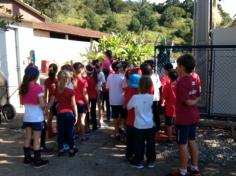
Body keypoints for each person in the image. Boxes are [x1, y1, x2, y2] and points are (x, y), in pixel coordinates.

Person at [166, 54, 201, 176]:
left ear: (182, 67)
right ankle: (194, 167)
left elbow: (187, 101)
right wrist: (196, 100)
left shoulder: (181, 83)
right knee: (192, 141)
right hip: (193, 116)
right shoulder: (194, 79)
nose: (176, 68)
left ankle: (182, 171)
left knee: (182, 144)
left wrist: (194, 101)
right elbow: (198, 95)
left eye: (177, 65)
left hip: (184, 119)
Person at [19, 66, 49, 168]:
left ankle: (27, 159)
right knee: (37, 139)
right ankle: (37, 161)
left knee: (27, 138)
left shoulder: (23, 87)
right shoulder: (38, 88)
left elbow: (21, 102)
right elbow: (42, 104)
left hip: (27, 117)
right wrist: (45, 106)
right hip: (37, 118)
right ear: (36, 77)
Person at [47, 70, 78, 157]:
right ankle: (71, 149)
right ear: (68, 80)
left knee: (60, 132)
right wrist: (76, 116)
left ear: (59, 79)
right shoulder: (70, 91)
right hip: (69, 114)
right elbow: (74, 104)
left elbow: (51, 103)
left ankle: (60, 149)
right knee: (70, 132)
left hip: (60, 114)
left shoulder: (56, 91)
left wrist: (46, 110)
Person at [127, 76, 156, 169]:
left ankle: (139, 161)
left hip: (138, 124)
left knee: (139, 143)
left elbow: (128, 107)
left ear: (139, 86)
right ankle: (151, 161)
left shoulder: (135, 97)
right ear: (150, 86)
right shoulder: (152, 97)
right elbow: (155, 110)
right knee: (150, 143)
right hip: (150, 124)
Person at [124, 74, 141, 162]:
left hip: (131, 119)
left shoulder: (128, 88)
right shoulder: (141, 90)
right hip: (139, 120)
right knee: (137, 139)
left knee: (130, 138)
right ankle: (135, 155)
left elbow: (126, 104)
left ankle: (129, 154)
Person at [106, 61, 125, 139]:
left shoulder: (110, 77)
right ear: (120, 68)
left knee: (115, 117)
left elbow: (107, 88)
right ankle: (120, 129)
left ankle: (117, 132)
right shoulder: (123, 77)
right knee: (123, 116)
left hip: (113, 100)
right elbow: (124, 88)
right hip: (122, 100)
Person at [141, 61, 162, 132]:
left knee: (151, 113)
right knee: (155, 113)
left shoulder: (143, 77)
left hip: (150, 98)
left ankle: (152, 127)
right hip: (155, 97)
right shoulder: (155, 75)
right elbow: (159, 86)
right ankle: (157, 127)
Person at [73, 62, 89, 141]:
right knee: (82, 119)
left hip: (73, 102)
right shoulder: (83, 80)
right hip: (81, 102)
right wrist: (88, 103)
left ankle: (76, 134)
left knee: (76, 119)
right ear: (81, 69)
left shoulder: (72, 80)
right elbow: (85, 94)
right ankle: (83, 136)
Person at [162, 69, 178, 142]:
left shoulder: (167, 86)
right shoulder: (179, 85)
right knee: (177, 123)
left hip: (170, 108)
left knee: (169, 124)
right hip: (178, 108)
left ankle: (170, 138)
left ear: (169, 76)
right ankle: (177, 135)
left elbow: (165, 96)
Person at [44, 64, 58, 139]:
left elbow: (45, 93)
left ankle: (50, 133)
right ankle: (59, 132)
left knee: (49, 119)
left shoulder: (46, 81)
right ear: (56, 71)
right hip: (57, 102)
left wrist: (46, 103)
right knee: (58, 119)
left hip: (50, 101)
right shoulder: (57, 80)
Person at [85, 64, 98, 131]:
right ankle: (94, 126)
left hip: (87, 97)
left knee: (86, 112)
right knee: (93, 112)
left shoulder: (85, 79)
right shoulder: (95, 78)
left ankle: (87, 126)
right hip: (94, 96)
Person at [95, 62, 106, 127]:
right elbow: (104, 82)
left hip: (96, 90)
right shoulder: (101, 73)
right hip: (99, 90)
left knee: (99, 106)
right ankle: (100, 120)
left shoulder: (95, 73)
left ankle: (100, 120)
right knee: (100, 106)